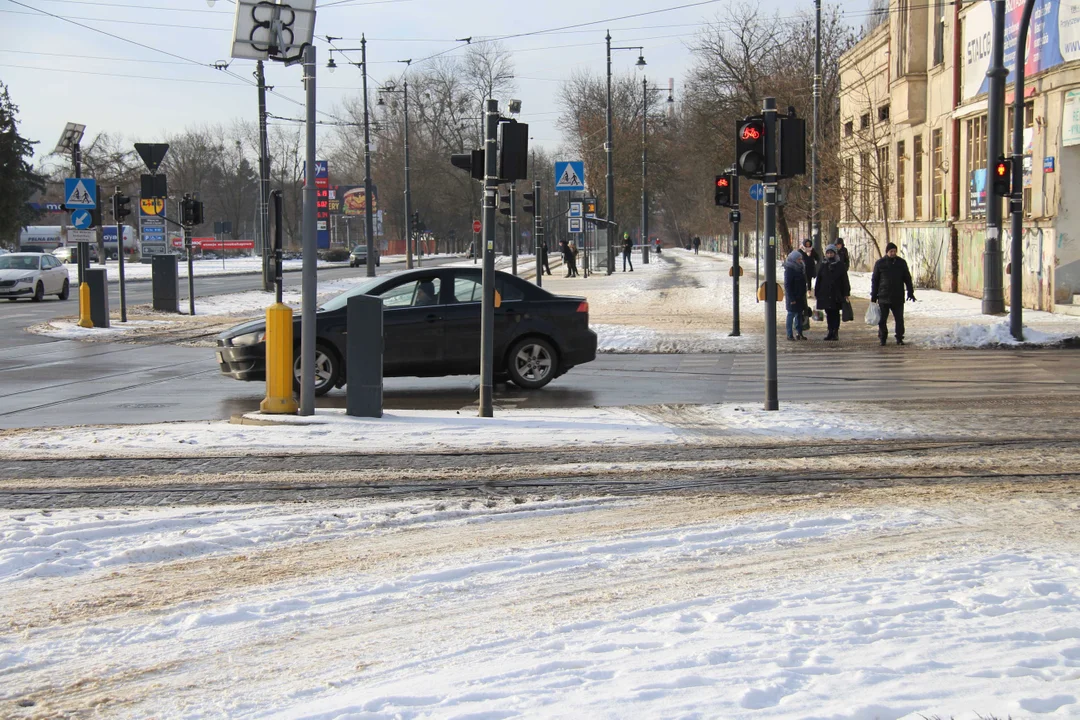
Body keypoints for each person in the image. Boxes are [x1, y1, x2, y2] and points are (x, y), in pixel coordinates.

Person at [870, 241, 916, 346]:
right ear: (887, 252)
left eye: (895, 251)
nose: (893, 253)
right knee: (882, 320)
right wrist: (873, 296)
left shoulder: (901, 263)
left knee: (899, 319)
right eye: (891, 251)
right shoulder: (880, 263)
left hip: (898, 296)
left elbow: (907, 279)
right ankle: (883, 337)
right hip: (883, 296)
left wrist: (910, 292)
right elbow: (875, 281)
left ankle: (899, 338)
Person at [814, 244, 851, 341]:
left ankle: (835, 332)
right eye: (828, 253)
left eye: (831, 253)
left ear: (835, 253)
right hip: (825, 294)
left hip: (837, 294)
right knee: (828, 313)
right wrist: (817, 292)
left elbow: (845, 280)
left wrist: (846, 292)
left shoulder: (840, 265)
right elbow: (819, 280)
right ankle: (830, 331)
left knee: (835, 313)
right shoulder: (823, 264)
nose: (830, 255)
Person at [783, 250, 808, 341]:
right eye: (798, 259)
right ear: (794, 260)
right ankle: (789, 334)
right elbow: (787, 285)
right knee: (791, 315)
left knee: (799, 315)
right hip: (793, 297)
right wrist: (791, 298)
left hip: (800, 296)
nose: (800, 261)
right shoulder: (789, 269)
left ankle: (799, 333)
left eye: (801, 259)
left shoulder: (801, 268)